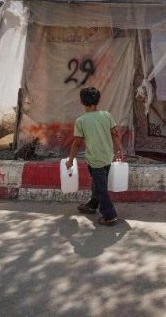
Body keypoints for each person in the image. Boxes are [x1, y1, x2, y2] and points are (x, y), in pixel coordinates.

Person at [66, 87, 124, 226]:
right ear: (98, 100)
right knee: (97, 184)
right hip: (107, 157)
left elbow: (77, 143)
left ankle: (109, 215)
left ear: (82, 102)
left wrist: (70, 160)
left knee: (101, 188)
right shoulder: (106, 115)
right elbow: (115, 134)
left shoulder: (81, 120)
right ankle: (92, 205)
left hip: (95, 160)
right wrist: (121, 149)